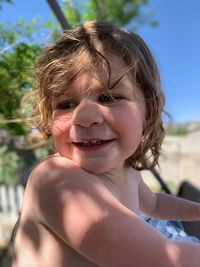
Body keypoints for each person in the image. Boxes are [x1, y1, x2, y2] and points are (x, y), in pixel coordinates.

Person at [12, 21, 200, 267]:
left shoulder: (127, 171)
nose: (85, 118)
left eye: (109, 98)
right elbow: (169, 260)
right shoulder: (56, 180)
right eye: (66, 104)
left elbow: (154, 203)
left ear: (150, 112)